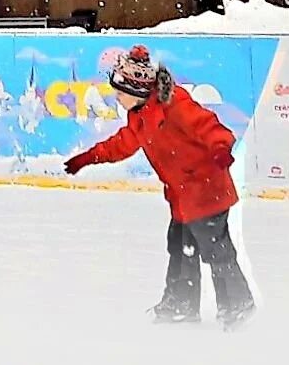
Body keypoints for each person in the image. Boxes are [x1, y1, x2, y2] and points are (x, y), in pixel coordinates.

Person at [63, 44, 254, 328]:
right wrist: (89, 157)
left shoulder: (175, 104)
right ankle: (181, 304)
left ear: (137, 90)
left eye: (120, 91)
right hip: (182, 196)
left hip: (206, 189)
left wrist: (220, 148)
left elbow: (210, 125)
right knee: (179, 248)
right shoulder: (139, 115)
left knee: (217, 251)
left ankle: (238, 305)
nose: (116, 96)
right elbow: (122, 144)